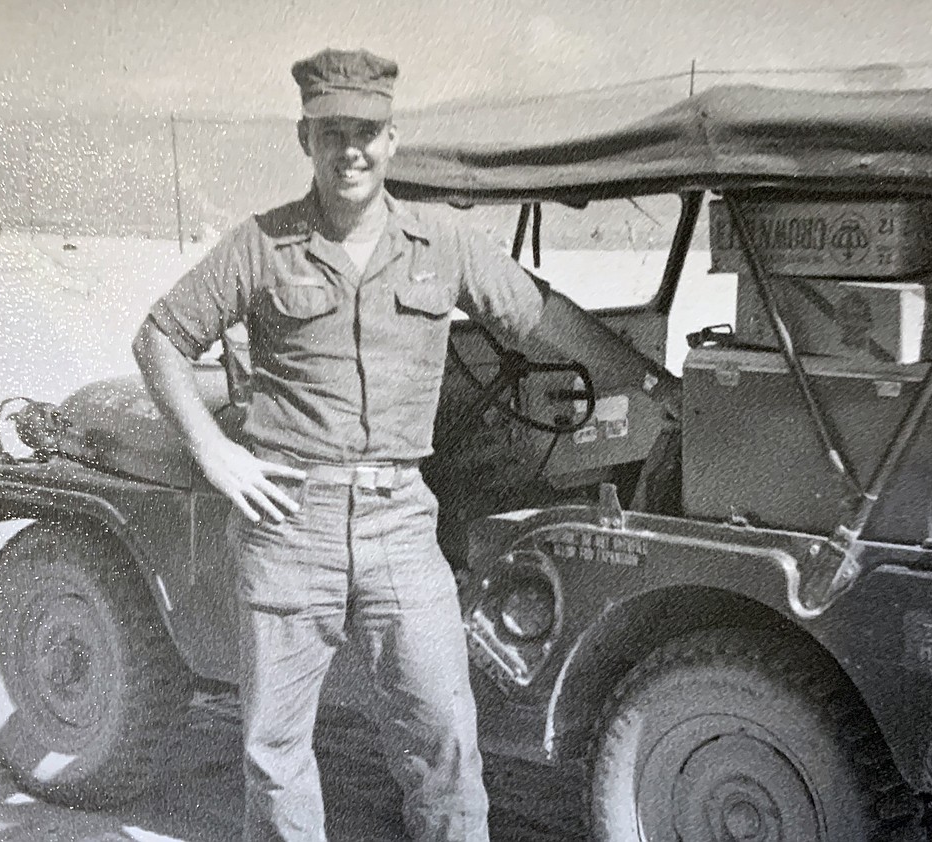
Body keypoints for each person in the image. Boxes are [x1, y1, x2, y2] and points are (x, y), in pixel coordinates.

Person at [132, 47, 675, 842]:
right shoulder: (260, 244)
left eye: (368, 130)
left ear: (393, 140)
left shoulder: (443, 242)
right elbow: (159, 339)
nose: (350, 148)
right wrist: (217, 453)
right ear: (304, 139)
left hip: (397, 524)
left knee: (444, 739)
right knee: (276, 751)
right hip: (288, 524)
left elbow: (538, 318)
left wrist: (655, 387)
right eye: (331, 132)